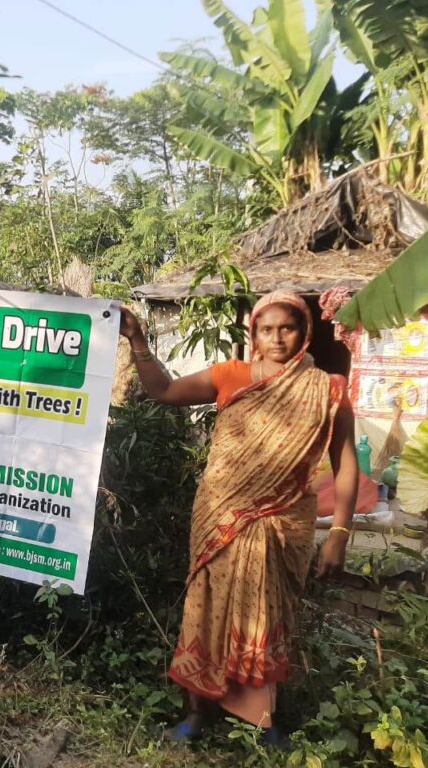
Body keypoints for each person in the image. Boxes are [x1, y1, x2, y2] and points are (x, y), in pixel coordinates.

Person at [119, 291, 358, 745]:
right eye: (266, 329)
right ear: (254, 333)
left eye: (287, 328)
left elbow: (346, 464)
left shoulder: (327, 390)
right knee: (206, 608)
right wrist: (139, 341)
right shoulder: (232, 375)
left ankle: (264, 719)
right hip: (219, 515)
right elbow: (165, 391)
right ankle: (196, 714)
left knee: (267, 616)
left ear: (304, 332)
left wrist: (340, 534)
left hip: (282, 523)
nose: (277, 338)